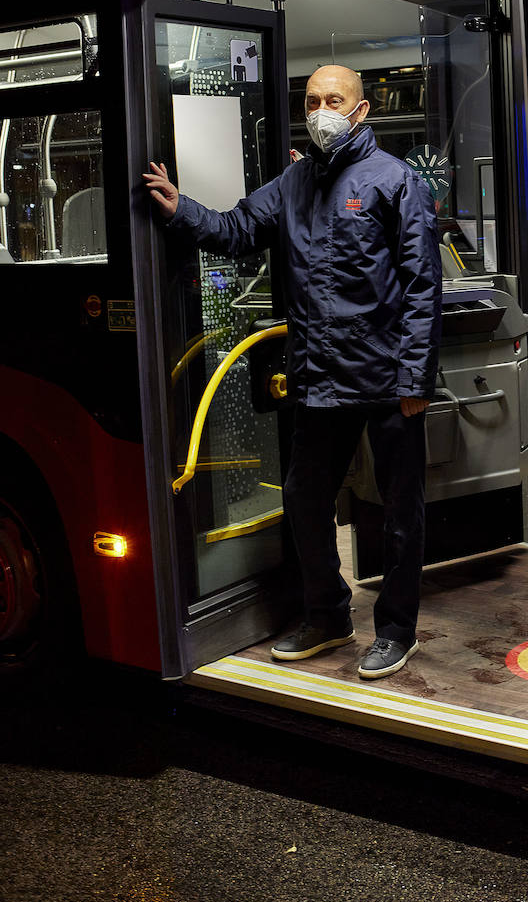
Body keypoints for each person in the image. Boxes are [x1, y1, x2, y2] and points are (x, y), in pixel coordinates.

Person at [144, 64, 442, 679]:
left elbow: (421, 287)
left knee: (398, 510)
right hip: (321, 381)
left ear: (362, 110)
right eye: (312, 100)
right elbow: (235, 231)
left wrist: (415, 381)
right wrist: (180, 211)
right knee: (306, 500)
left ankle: (397, 630)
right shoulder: (292, 184)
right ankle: (329, 615)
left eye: (334, 100)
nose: (321, 110)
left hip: (389, 383)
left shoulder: (395, 182)